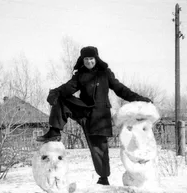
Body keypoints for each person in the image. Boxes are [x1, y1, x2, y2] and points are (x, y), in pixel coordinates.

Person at [37, 46, 151, 185]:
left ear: (96, 59)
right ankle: (54, 132)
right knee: (60, 98)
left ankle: (103, 178)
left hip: (99, 116)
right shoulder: (80, 75)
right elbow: (68, 88)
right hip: (84, 111)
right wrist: (55, 92)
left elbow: (120, 89)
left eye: (91, 58)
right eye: (86, 59)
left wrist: (139, 99)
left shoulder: (105, 73)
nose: (89, 61)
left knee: (99, 148)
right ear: (82, 60)